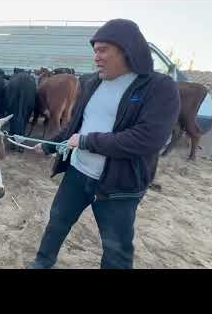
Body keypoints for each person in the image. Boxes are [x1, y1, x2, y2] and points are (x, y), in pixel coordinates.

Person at [27, 19, 180, 269]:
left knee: (116, 248)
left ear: (126, 48)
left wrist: (88, 142)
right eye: (95, 51)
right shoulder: (93, 82)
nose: (96, 57)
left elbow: (147, 138)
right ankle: (42, 263)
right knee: (57, 222)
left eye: (103, 50)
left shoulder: (159, 87)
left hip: (119, 185)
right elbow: (76, 126)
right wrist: (49, 145)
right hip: (78, 173)